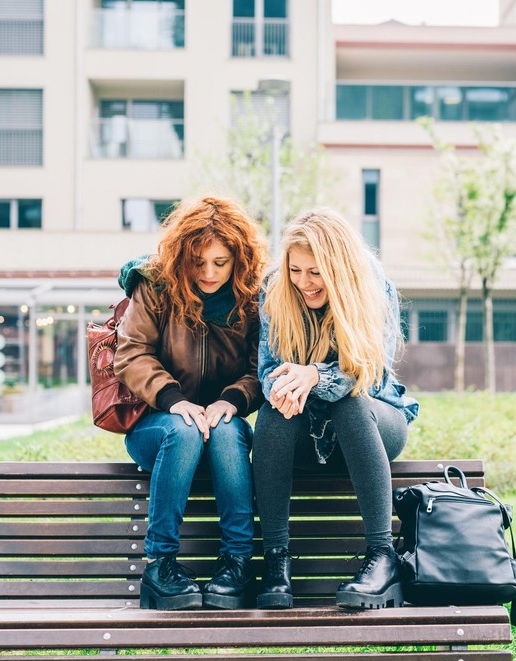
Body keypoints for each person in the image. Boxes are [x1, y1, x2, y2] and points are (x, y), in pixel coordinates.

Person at [252, 208, 419, 610]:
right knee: (274, 408)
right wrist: (284, 387)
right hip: (302, 432)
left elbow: (370, 375)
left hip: (372, 422)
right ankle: (276, 562)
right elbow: (268, 369)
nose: (303, 283)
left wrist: (313, 376)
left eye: (315, 272)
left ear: (338, 268)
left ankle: (382, 557)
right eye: (296, 270)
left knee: (349, 403)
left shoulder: (373, 288)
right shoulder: (276, 290)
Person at [114, 196, 267, 610]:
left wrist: (233, 401)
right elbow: (131, 354)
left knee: (225, 429)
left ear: (239, 258)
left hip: (224, 428)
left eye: (221, 262)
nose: (208, 273)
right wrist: (173, 400)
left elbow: (262, 366)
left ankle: (237, 564)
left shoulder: (253, 297)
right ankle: (161, 565)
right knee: (184, 430)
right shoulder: (155, 285)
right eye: (198, 262)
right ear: (182, 255)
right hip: (159, 426)